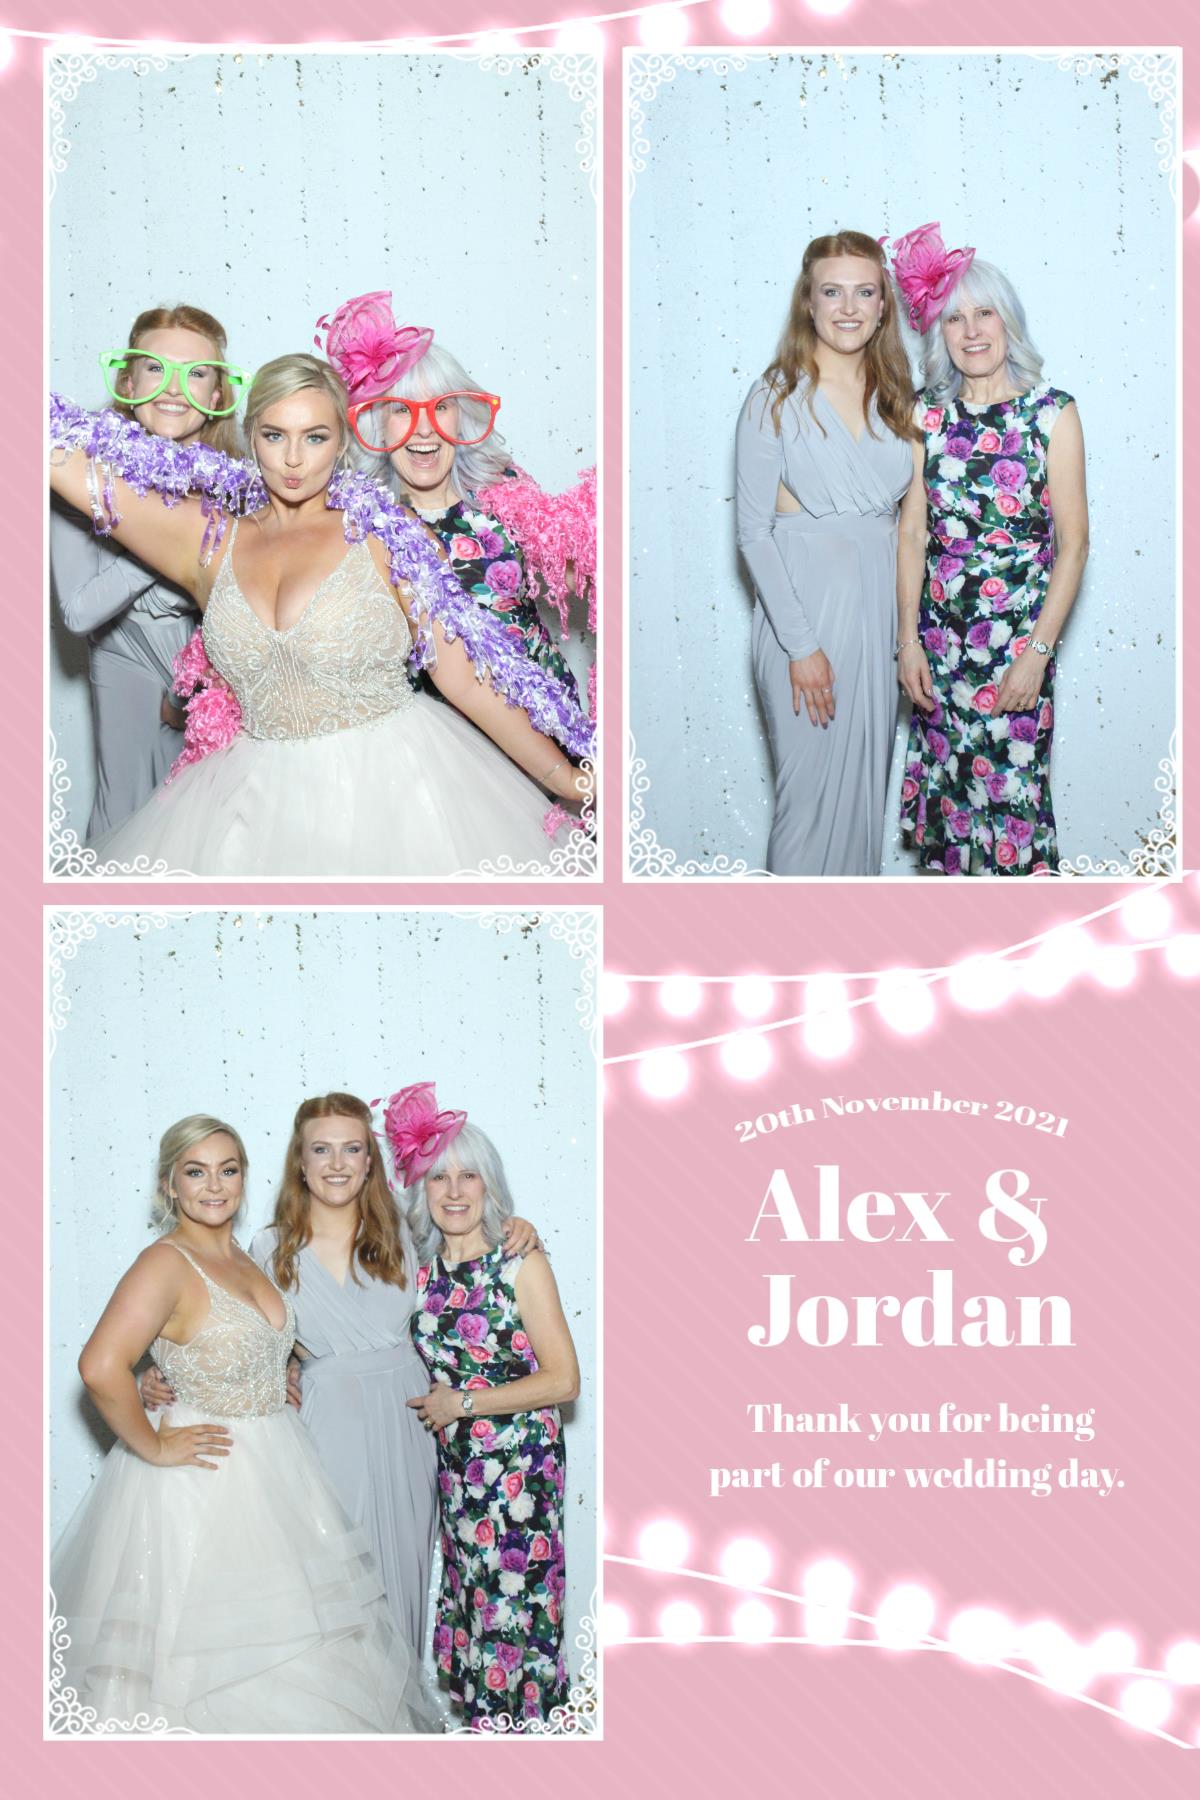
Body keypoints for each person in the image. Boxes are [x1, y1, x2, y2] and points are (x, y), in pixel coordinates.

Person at [49, 354, 590, 876]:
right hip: (249, 806)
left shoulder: (388, 535)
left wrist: (566, 779)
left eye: (314, 437)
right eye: (274, 435)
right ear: (250, 436)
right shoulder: (207, 540)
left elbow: (464, 681)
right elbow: (59, 459)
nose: (293, 459)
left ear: (342, 443)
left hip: (396, 798)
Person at [51, 1115, 437, 1734]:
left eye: (227, 1170)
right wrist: (153, 1445)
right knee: (210, 1663)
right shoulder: (165, 1262)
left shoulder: (242, 1254)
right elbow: (99, 1367)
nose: (214, 1186)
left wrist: (281, 1373)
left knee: (306, 1650)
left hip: (279, 1462)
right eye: (195, 1172)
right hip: (206, 1481)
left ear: (244, 1178)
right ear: (169, 1184)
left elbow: (256, 1346)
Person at [141, 1091, 542, 1656]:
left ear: (370, 1161)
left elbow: (471, 1253)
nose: (336, 1163)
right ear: (299, 1163)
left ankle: (401, 1707)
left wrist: (516, 1226)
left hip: (410, 1424)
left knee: (402, 1582)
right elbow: (225, 1329)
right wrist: (158, 1372)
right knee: (333, 1587)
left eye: (352, 1149)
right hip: (323, 1425)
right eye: (321, 1149)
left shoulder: (409, 1231)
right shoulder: (267, 1248)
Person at [893, 224, 1089, 875]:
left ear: (1008, 322)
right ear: (939, 334)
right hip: (940, 659)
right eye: (954, 318)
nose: (972, 330)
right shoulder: (925, 418)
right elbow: (912, 534)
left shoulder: (1052, 414)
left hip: (1017, 658)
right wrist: (908, 643)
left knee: (1013, 818)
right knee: (953, 826)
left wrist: (1037, 656)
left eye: (985, 314)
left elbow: (1074, 546)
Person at [389, 1085, 579, 1729]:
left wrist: (463, 1403)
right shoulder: (416, 1273)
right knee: (475, 1603)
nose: (453, 1191)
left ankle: (527, 1740)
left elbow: (564, 1380)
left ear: (488, 1184)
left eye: (468, 1175)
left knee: (517, 1608)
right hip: (458, 1473)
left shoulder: (521, 1262)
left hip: (523, 1472)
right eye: (438, 1177)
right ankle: (485, 1734)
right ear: (420, 1190)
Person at [735, 230, 917, 876]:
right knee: (807, 811)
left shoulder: (897, 397)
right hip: (804, 622)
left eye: (864, 292)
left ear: (883, 304)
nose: (848, 308)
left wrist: (908, 637)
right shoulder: (774, 396)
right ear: (807, 303)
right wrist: (800, 646)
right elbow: (753, 534)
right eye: (832, 292)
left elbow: (911, 531)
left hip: (876, 625)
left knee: (863, 808)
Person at [318, 291, 584, 706]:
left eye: (440, 406)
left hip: (550, 713)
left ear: (460, 415)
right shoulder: (360, 522)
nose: (424, 428)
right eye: (402, 410)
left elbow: (569, 576)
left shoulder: (503, 487)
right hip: (443, 732)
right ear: (376, 425)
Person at [50, 305, 246, 836]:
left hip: (222, 685)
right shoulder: (83, 477)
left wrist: (195, 693)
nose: (174, 388)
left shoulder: (239, 486)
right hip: (128, 664)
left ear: (217, 395)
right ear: (128, 381)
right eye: (156, 367)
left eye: (196, 372)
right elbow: (77, 612)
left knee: (218, 831)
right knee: (128, 823)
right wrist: (169, 537)